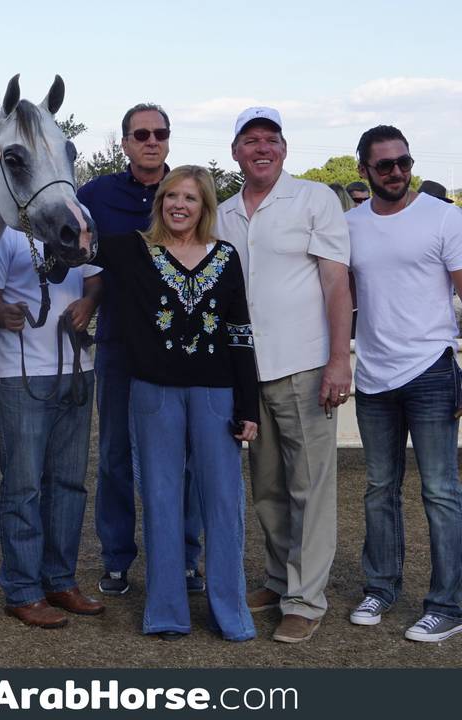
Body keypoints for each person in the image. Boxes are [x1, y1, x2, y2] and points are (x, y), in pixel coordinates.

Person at [92, 166, 258, 641]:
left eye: (189, 197)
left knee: (223, 502)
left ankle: (231, 612)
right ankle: (166, 611)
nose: (178, 205)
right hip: (153, 394)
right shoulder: (131, 250)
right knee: (161, 499)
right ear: (159, 201)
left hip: (216, 396)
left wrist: (248, 406)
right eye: (170, 196)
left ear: (205, 206)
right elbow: (71, 243)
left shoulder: (225, 257)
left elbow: (239, 332)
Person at [216, 107, 353, 643]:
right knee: (267, 485)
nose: (262, 148)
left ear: (285, 149)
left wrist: (339, 360)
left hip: (304, 362)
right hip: (247, 372)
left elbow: (336, 283)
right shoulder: (223, 212)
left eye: (271, 139)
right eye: (250, 141)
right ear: (235, 153)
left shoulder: (315, 198)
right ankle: (277, 580)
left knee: (310, 486)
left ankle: (305, 598)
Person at [77, 102, 205, 598]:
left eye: (160, 133)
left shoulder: (188, 191)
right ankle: (116, 561)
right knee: (114, 455)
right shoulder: (97, 195)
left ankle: (188, 560)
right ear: (125, 142)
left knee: (185, 456)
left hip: (184, 347)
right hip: (119, 346)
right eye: (141, 134)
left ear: (169, 140)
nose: (152, 141)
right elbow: (73, 248)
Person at [345, 125, 462, 642]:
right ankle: (381, 587)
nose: (397, 173)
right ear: (364, 171)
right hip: (373, 375)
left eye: (404, 163)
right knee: (378, 489)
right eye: (385, 165)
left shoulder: (444, 217)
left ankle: (447, 604)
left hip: (432, 369)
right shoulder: (349, 224)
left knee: (440, 491)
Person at [0, 225, 104, 629]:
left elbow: (95, 277)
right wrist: (1, 314)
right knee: (23, 485)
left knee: (69, 483)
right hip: (21, 375)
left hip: (77, 368)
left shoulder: (79, 218)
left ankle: (59, 580)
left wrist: (89, 303)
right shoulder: (6, 234)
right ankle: (22, 589)